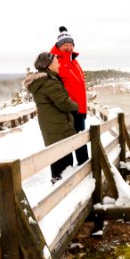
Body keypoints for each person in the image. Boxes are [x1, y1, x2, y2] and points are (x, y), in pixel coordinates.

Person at [23, 52, 79, 184]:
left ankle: (57, 184)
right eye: (56, 62)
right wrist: (76, 106)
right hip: (58, 125)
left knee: (55, 157)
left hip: (50, 124)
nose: (59, 64)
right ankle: (63, 189)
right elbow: (63, 103)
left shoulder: (42, 81)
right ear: (49, 65)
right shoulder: (49, 82)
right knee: (64, 159)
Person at [50, 26, 89, 165]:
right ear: (59, 46)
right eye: (65, 45)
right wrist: (68, 104)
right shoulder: (55, 61)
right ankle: (73, 172)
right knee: (70, 142)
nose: (69, 47)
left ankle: (84, 168)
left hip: (80, 109)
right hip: (69, 109)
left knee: (80, 139)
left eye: (71, 44)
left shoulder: (73, 60)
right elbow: (53, 84)